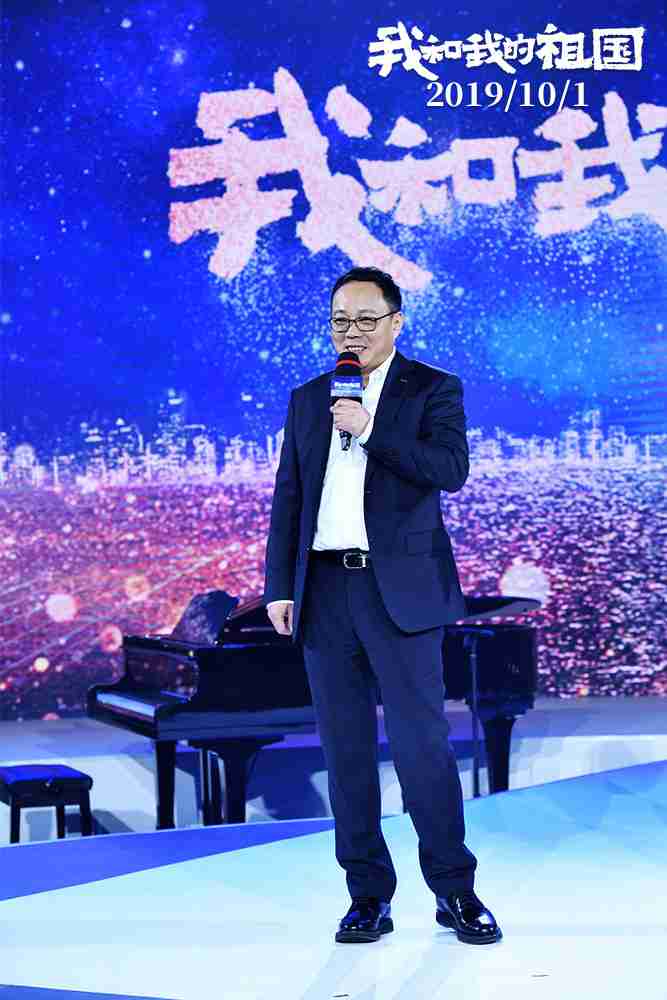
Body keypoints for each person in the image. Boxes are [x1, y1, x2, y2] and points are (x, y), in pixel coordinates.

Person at [263, 266, 501, 946]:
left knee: (423, 748)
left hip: (401, 594)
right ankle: (367, 895)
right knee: (345, 751)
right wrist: (280, 585)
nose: (352, 332)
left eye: (366, 319)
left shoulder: (433, 388)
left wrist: (369, 429)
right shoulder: (309, 398)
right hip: (324, 591)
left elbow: (449, 470)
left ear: (396, 322)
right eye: (341, 320)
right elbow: (289, 495)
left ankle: (454, 890)